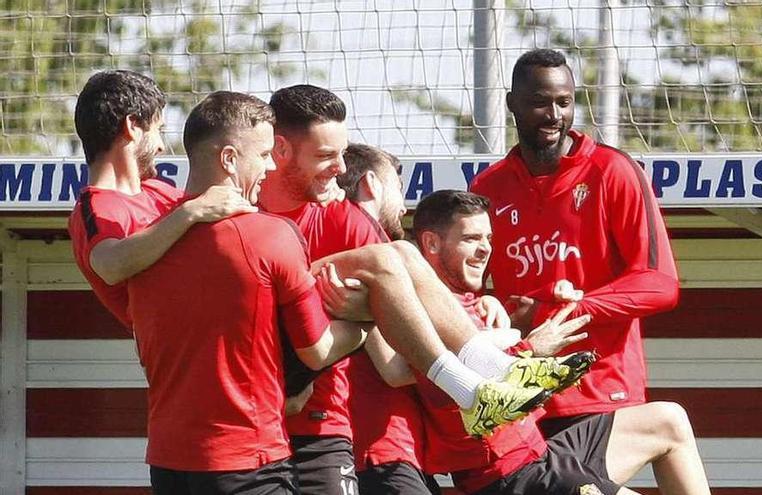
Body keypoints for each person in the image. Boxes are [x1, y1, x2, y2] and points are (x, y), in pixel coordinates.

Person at [259, 84, 593, 494]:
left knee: (394, 253)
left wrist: (365, 311)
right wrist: (518, 344)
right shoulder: (240, 208)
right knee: (389, 256)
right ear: (280, 151)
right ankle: (482, 378)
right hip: (276, 405)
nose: (340, 168)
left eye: (343, 154)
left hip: (329, 423)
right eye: (328, 156)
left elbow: (386, 335)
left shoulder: (347, 223)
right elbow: (389, 365)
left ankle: (491, 374)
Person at [128, 91, 368, 494]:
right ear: (228, 159)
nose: (271, 165)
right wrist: (367, 318)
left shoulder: (144, 242)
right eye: (262, 155)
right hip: (246, 460)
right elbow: (318, 349)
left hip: (168, 465)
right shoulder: (270, 235)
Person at [404, 190, 711, 495]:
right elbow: (446, 376)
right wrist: (530, 349)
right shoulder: (420, 310)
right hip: (508, 479)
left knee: (668, 420)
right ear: (431, 243)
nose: (485, 249)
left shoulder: (476, 301)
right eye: (471, 238)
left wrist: (546, 296)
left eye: (488, 239)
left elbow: (493, 342)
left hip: (541, 456)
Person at [469, 48, 681, 437]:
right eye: (539, 103)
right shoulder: (488, 188)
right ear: (512, 103)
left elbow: (658, 283)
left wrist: (565, 310)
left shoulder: (613, 171)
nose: (554, 116)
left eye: (564, 103)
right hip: (520, 391)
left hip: (598, 387)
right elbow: (475, 293)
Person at [68, 70, 255, 328]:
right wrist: (191, 212)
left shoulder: (159, 191)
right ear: (133, 126)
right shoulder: (95, 207)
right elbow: (110, 265)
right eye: (159, 130)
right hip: (183, 355)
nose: (161, 146)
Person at [336, 143, 440, 495]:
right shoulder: (367, 250)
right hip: (376, 447)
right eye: (398, 189)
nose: (405, 205)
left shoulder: (366, 242)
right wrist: (495, 354)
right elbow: (395, 368)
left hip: (394, 448)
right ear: (372, 185)